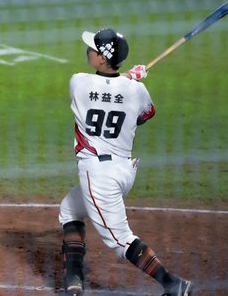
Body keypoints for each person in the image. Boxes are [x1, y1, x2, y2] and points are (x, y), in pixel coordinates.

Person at [58, 28, 193, 296]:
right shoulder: (137, 91)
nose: (88, 50)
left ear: (102, 58)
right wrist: (131, 80)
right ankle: (73, 280)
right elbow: (145, 115)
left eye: (93, 48)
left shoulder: (78, 82)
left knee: (121, 241)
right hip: (123, 170)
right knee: (69, 210)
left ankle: (175, 285)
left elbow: (103, 87)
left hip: (97, 175)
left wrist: (129, 76)